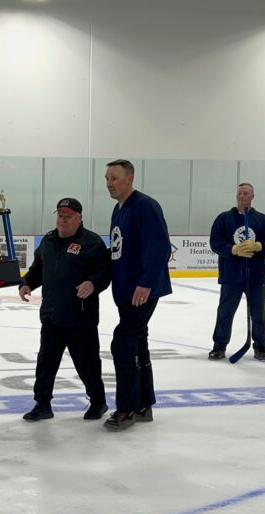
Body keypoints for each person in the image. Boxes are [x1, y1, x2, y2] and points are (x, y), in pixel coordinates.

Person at [19, 198, 111, 421]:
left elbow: (105, 272)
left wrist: (92, 283)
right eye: (60, 215)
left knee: (87, 363)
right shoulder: (49, 240)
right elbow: (38, 268)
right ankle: (42, 404)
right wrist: (27, 282)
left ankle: (98, 402)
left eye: (68, 216)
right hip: (51, 315)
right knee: (46, 363)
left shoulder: (91, 242)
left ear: (79, 219)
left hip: (80, 317)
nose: (62, 220)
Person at [103, 159, 172, 431]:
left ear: (129, 179)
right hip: (125, 291)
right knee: (137, 343)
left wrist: (145, 283)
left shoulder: (145, 206)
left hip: (142, 291)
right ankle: (144, 404)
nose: (109, 183)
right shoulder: (118, 210)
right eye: (107, 178)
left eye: (114, 178)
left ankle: (127, 409)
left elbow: (159, 247)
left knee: (123, 342)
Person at [208, 183, 265, 362]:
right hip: (231, 274)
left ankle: (260, 347)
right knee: (225, 311)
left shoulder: (262, 220)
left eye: (246, 193)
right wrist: (232, 249)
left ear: (253, 196)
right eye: (239, 193)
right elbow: (215, 242)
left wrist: (259, 246)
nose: (241, 196)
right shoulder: (224, 219)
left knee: (258, 312)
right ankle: (219, 346)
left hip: (255, 275)